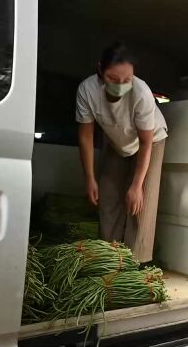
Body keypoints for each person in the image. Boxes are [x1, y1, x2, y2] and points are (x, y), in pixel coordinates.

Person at [76, 42, 168, 263]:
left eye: (126, 80)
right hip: (117, 140)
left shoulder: (141, 92)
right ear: (100, 70)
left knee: (139, 203)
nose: (120, 85)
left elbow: (145, 144)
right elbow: (86, 136)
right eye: (113, 79)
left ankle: (136, 263)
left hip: (151, 141)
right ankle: (109, 258)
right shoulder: (87, 90)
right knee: (108, 197)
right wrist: (89, 178)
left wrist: (136, 186)